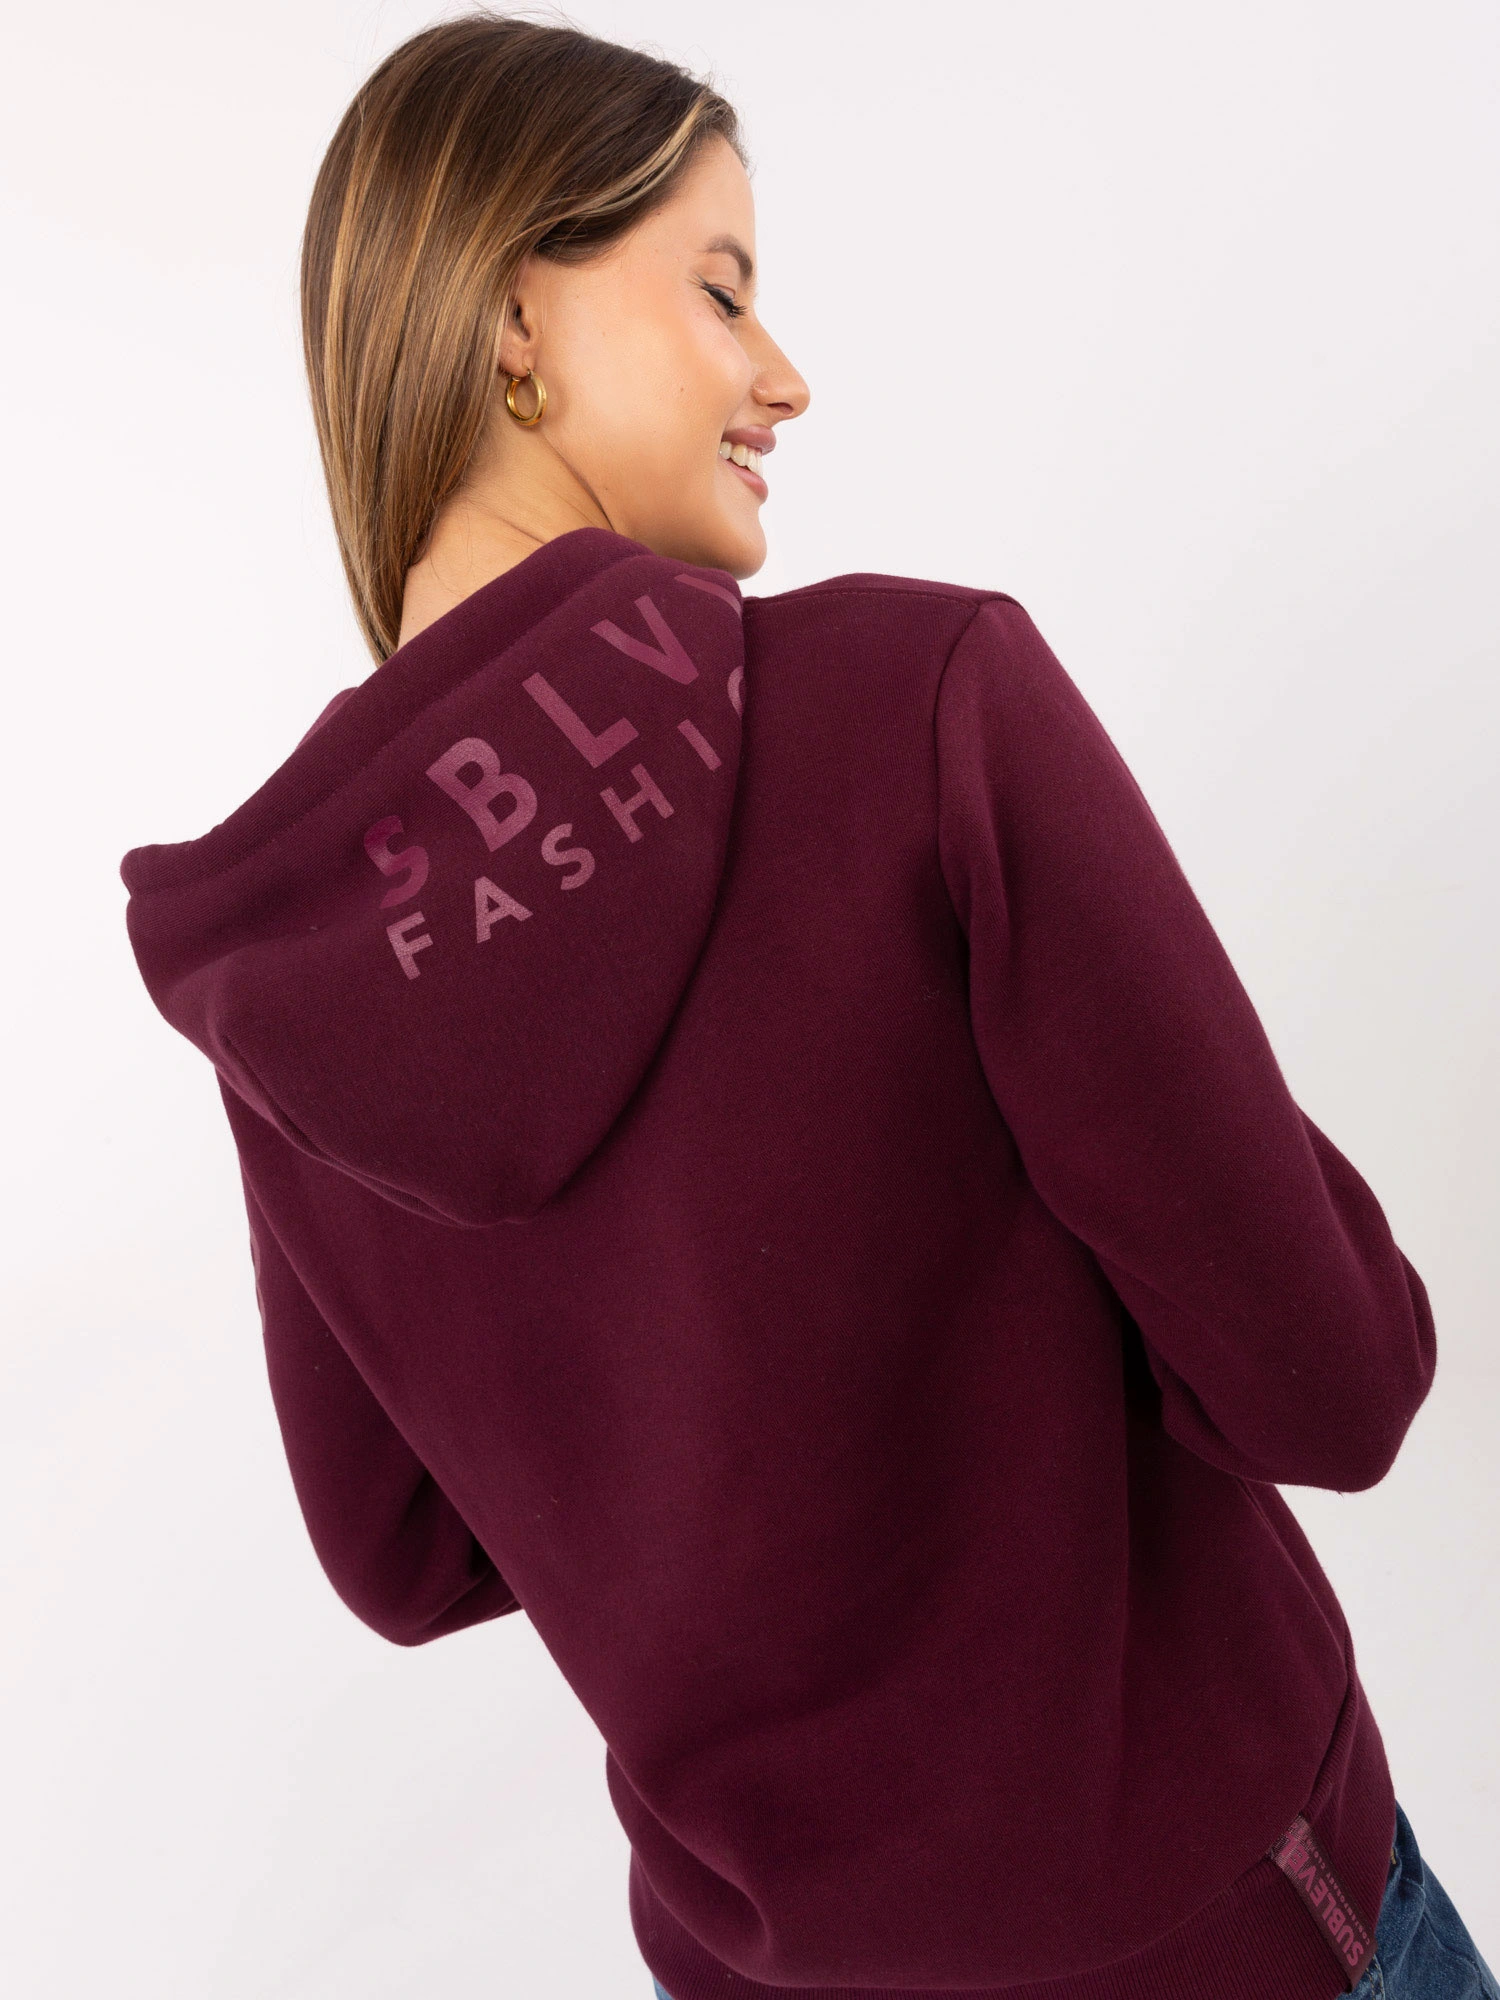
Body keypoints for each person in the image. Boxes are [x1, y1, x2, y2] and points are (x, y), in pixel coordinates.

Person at [118, 12, 1499, 2000]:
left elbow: (399, 1555)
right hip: (1214, 1926)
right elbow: (1335, 1379)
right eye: (721, 288)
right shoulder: (917, 703)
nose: (785, 374)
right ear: (512, 322)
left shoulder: (288, 946)